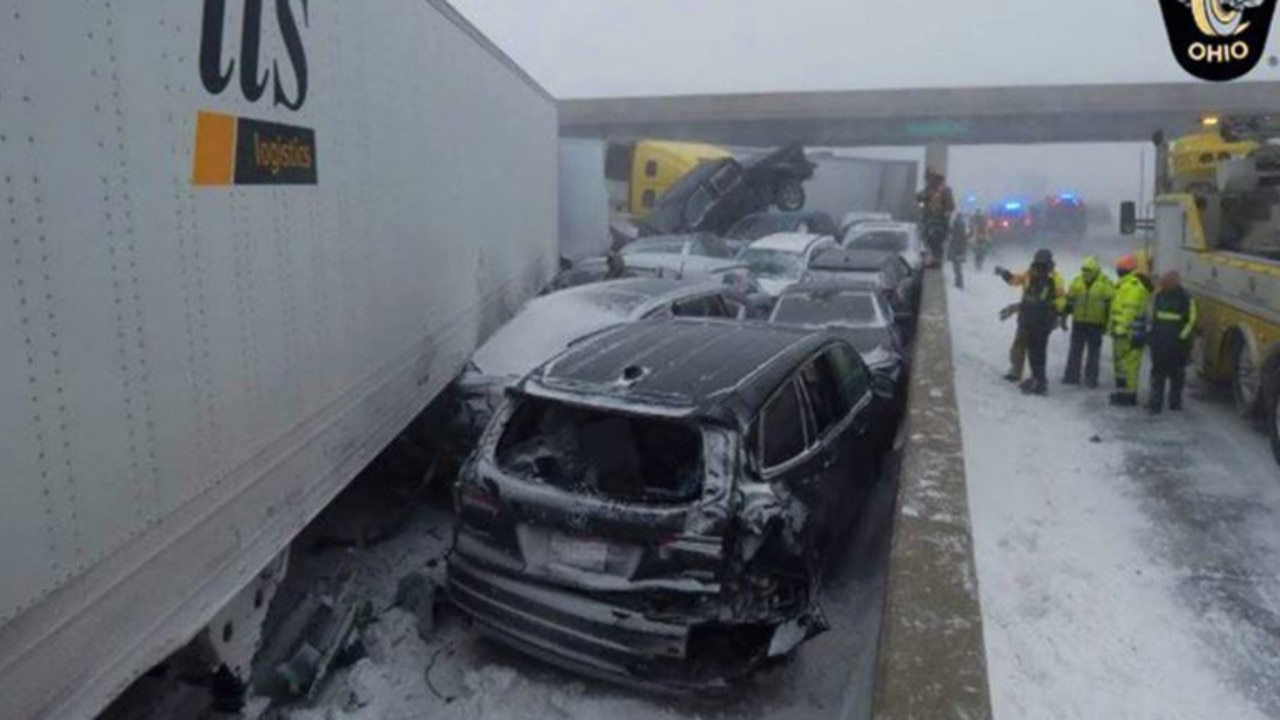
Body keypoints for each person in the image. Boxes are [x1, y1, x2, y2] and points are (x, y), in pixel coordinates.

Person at [996, 249, 1066, 395]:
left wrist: (1057, 313)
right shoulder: (1030, 273)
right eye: (1037, 263)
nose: (1038, 267)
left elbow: (1060, 299)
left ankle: (1038, 380)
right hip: (1028, 317)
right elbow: (1016, 280)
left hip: (1041, 319)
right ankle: (1017, 371)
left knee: (1037, 351)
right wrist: (1005, 274)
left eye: (1041, 264)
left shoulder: (1055, 279)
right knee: (1020, 344)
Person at [1147, 270, 1198, 413]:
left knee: (1172, 375)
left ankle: (1170, 403)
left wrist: (1181, 338)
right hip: (1163, 343)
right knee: (1161, 375)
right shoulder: (1160, 295)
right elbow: (1152, 318)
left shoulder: (1185, 298)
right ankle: (1157, 404)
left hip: (1174, 345)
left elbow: (1191, 320)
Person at [1061, 256, 1115, 388]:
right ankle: (1071, 376)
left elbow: (1110, 307)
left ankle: (1091, 378)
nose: (1085, 274)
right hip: (1079, 322)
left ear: (1096, 270)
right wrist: (1063, 317)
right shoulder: (1077, 282)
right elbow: (1069, 302)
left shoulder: (1106, 284)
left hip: (1096, 324)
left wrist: (1108, 325)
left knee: (1094, 353)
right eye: (1083, 270)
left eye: (1088, 271)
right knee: (1075, 350)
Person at [1109, 254, 1153, 407]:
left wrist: (1120, 328)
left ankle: (1129, 395)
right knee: (1121, 365)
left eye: (1120, 268)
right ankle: (1122, 392)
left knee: (1130, 366)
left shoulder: (1133, 287)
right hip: (1122, 333)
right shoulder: (1124, 285)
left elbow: (1129, 311)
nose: (1118, 270)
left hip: (1130, 334)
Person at [916, 169, 956, 267]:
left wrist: (944, 213)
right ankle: (933, 258)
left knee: (935, 240)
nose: (929, 181)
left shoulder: (944, 191)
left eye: (930, 179)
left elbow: (950, 207)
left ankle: (935, 260)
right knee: (928, 239)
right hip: (930, 219)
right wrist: (922, 205)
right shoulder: (927, 191)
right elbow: (919, 201)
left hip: (938, 220)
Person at [948, 213, 968, 289]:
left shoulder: (957, 228)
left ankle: (959, 283)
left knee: (957, 268)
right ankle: (959, 283)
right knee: (957, 268)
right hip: (959, 251)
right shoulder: (961, 228)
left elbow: (952, 234)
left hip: (957, 251)